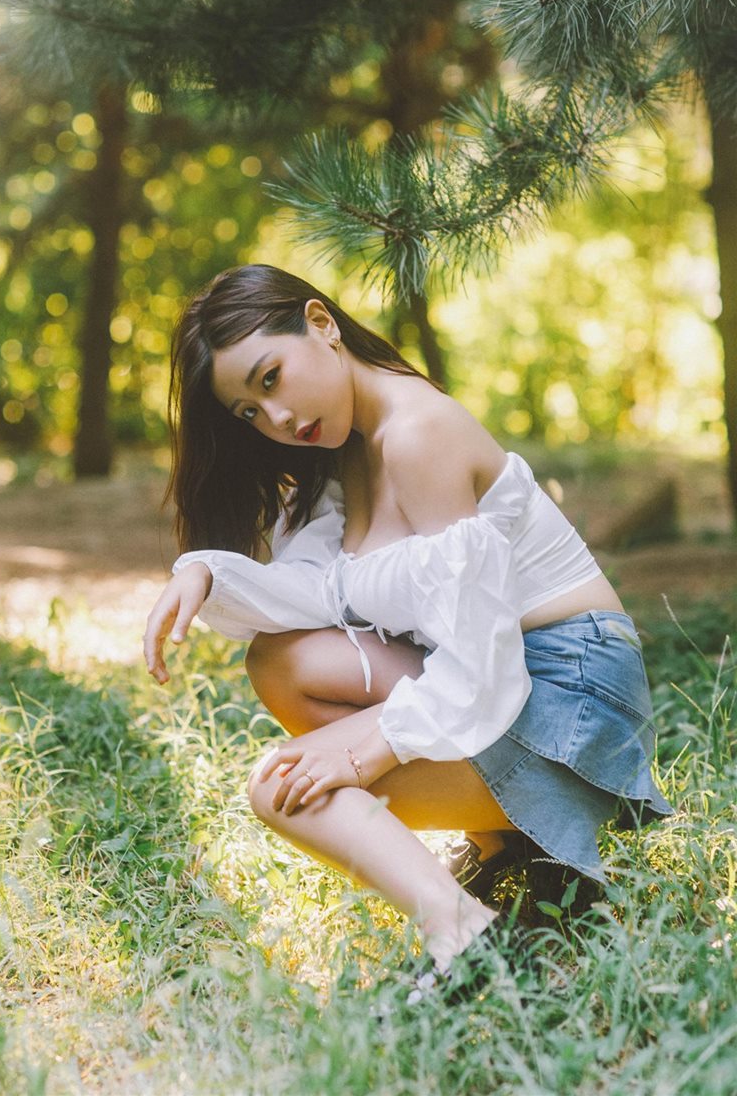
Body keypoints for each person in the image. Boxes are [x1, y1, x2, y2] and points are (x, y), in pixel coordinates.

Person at [143, 264, 673, 998]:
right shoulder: (341, 453)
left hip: (571, 696)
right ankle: (509, 850)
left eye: (271, 378)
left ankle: (466, 934)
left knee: (277, 787)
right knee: (281, 662)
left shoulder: (418, 435)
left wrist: (368, 752)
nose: (276, 418)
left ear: (321, 325)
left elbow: (482, 658)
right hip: (509, 676)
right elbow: (322, 593)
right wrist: (203, 571)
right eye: (248, 411)